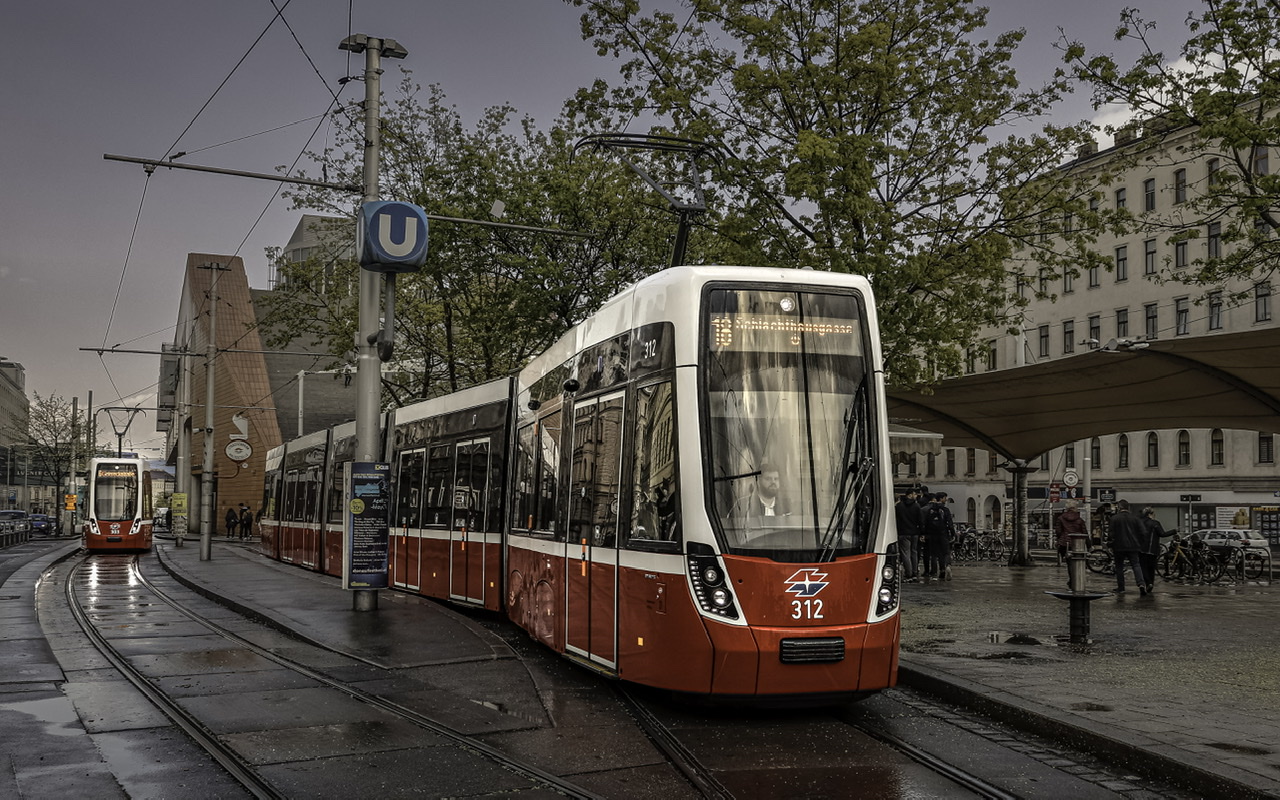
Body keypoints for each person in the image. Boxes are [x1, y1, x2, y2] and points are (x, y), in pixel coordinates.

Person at [1109, 499, 1148, 595]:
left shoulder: (1114, 518)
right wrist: (1140, 543)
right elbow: (1143, 533)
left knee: (1119, 566)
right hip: (1134, 546)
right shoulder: (1135, 518)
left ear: (1119, 507)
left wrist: (1111, 544)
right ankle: (1141, 584)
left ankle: (1121, 587)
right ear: (1128, 507)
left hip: (1119, 546)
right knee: (1136, 565)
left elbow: (1111, 534)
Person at [923, 491, 956, 580]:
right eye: (945, 498)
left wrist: (925, 534)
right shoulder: (945, 510)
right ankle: (946, 567)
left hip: (932, 535)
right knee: (945, 552)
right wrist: (953, 533)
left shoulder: (930, 510)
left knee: (934, 554)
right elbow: (950, 523)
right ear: (941, 499)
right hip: (943, 534)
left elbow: (926, 523)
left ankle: (936, 572)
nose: (946, 500)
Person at [895, 488, 924, 582]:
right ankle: (915, 572)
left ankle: (909, 573)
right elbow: (920, 520)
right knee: (914, 552)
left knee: (905, 553)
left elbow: (896, 520)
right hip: (914, 533)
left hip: (903, 532)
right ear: (910, 495)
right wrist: (922, 532)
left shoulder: (899, 506)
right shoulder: (916, 506)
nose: (916, 496)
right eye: (914, 494)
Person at [1140, 507, 1165, 593]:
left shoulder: (1140, 522)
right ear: (1150, 514)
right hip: (1153, 549)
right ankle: (1151, 584)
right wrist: (1174, 531)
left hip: (1142, 549)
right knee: (1151, 568)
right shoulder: (1155, 523)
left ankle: (1148, 582)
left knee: (1143, 567)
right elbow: (1162, 534)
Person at [1054, 500, 1086, 565]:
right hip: (1077, 544)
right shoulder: (1079, 519)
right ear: (1075, 508)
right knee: (1077, 561)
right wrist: (1089, 545)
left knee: (1066, 559)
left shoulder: (1060, 518)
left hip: (1064, 543)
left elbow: (1058, 532)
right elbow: (1084, 532)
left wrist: (1058, 539)